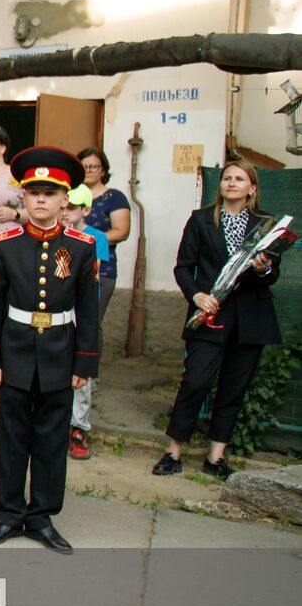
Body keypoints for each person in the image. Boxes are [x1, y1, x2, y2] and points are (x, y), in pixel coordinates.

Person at [0, 147, 100, 555]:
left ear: (66, 199)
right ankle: (9, 513)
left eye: (51, 192)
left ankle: (42, 516)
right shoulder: (6, 245)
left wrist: (85, 363)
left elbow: (89, 310)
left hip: (60, 353)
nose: (42, 199)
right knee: (13, 436)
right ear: (22, 198)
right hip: (14, 350)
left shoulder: (82, 247)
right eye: (34, 192)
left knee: (50, 438)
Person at [153, 160, 283, 480]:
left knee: (233, 388)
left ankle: (215, 457)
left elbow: (272, 274)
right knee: (195, 381)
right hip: (210, 313)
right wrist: (196, 295)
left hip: (251, 317)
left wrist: (264, 268)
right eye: (227, 178)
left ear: (252, 187)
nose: (232, 183)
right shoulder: (200, 220)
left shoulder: (266, 224)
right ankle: (173, 451)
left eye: (240, 178)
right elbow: (183, 267)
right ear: (220, 185)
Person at [62, 184, 110, 459]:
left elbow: (91, 274)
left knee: (82, 372)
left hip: (81, 311)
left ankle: (79, 427)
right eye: (64, 207)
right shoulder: (54, 234)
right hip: (57, 312)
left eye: (72, 208)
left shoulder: (96, 238)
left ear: (86, 210)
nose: (66, 212)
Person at [76, 147, 131, 321]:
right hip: (70, 264)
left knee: (92, 322)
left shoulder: (114, 197)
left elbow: (121, 232)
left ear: (103, 170)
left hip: (101, 268)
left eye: (93, 166)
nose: (88, 170)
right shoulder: (70, 195)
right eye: (84, 166)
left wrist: (87, 239)